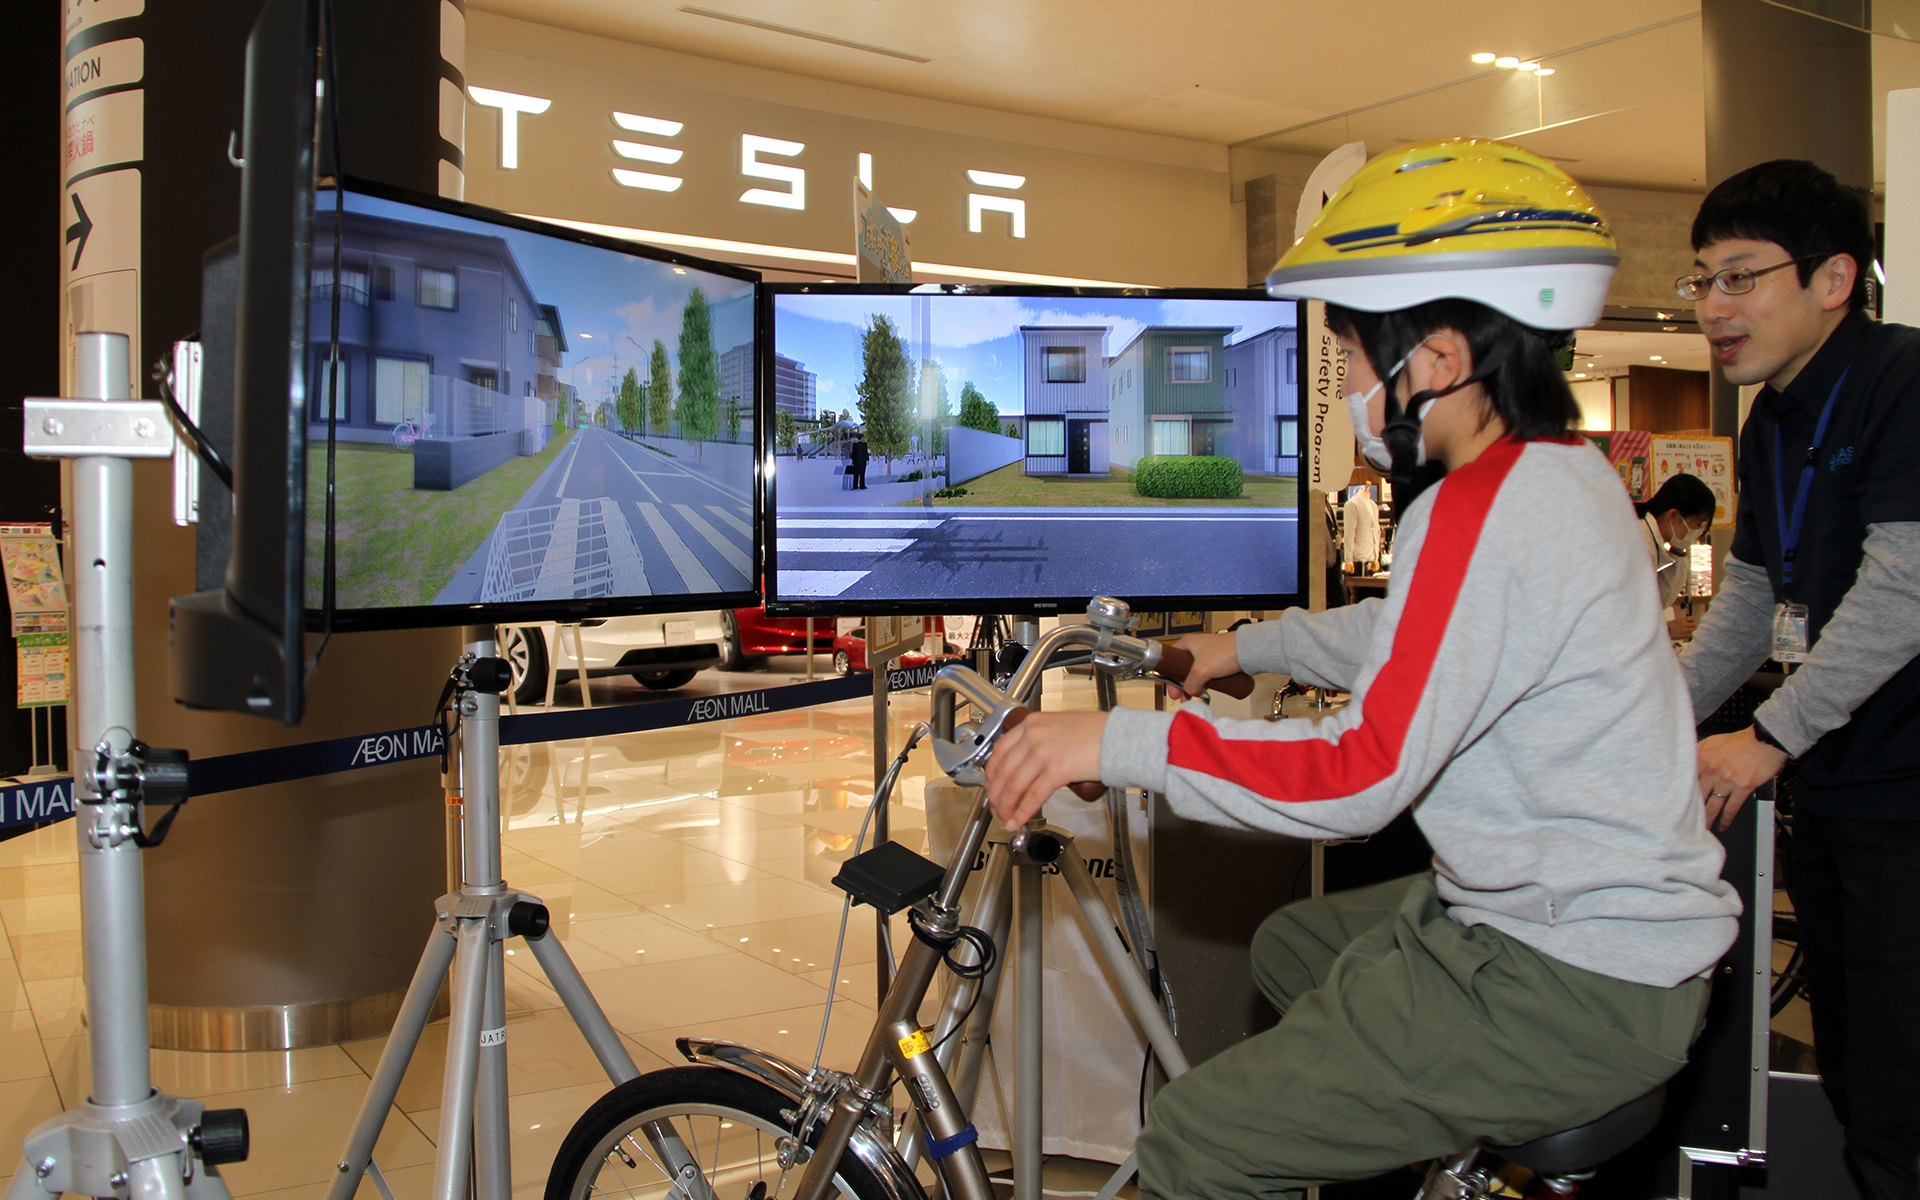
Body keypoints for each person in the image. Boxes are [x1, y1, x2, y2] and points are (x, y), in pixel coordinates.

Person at [982, 139, 1739, 1200]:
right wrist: (1245, 646)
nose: (1350, 398)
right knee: (1295, 946)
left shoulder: (1479, 508)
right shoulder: (1552, 478)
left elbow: (1357, 775)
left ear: (1434, 358)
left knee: (1199, 1140)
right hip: (1584, 932)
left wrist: (1111, 739)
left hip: (1569, 972)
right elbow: (1419, 638)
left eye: (1356, 360)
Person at [1677, 158, 1920, 1200]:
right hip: (1833, 791)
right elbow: (1747, 595)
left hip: (1906, 794)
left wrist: (1771, 733)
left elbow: (1905, 588)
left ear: (1835, 279)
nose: (1715, 308)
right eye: (1702, 282)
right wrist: (1652, 718)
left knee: (1905, 1089)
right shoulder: (1768, 415)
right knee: (1865, 1076)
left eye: (1741, 277)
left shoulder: (1901, 379)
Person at [1635, 472, 1716, 641]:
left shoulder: (1654, 543)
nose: (1699, 531)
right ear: (1673, 516)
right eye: (1698, 523)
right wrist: (1667, 631)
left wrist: (1678, 551)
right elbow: (1622, 614)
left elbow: (1661, 599)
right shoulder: (1639, 543)